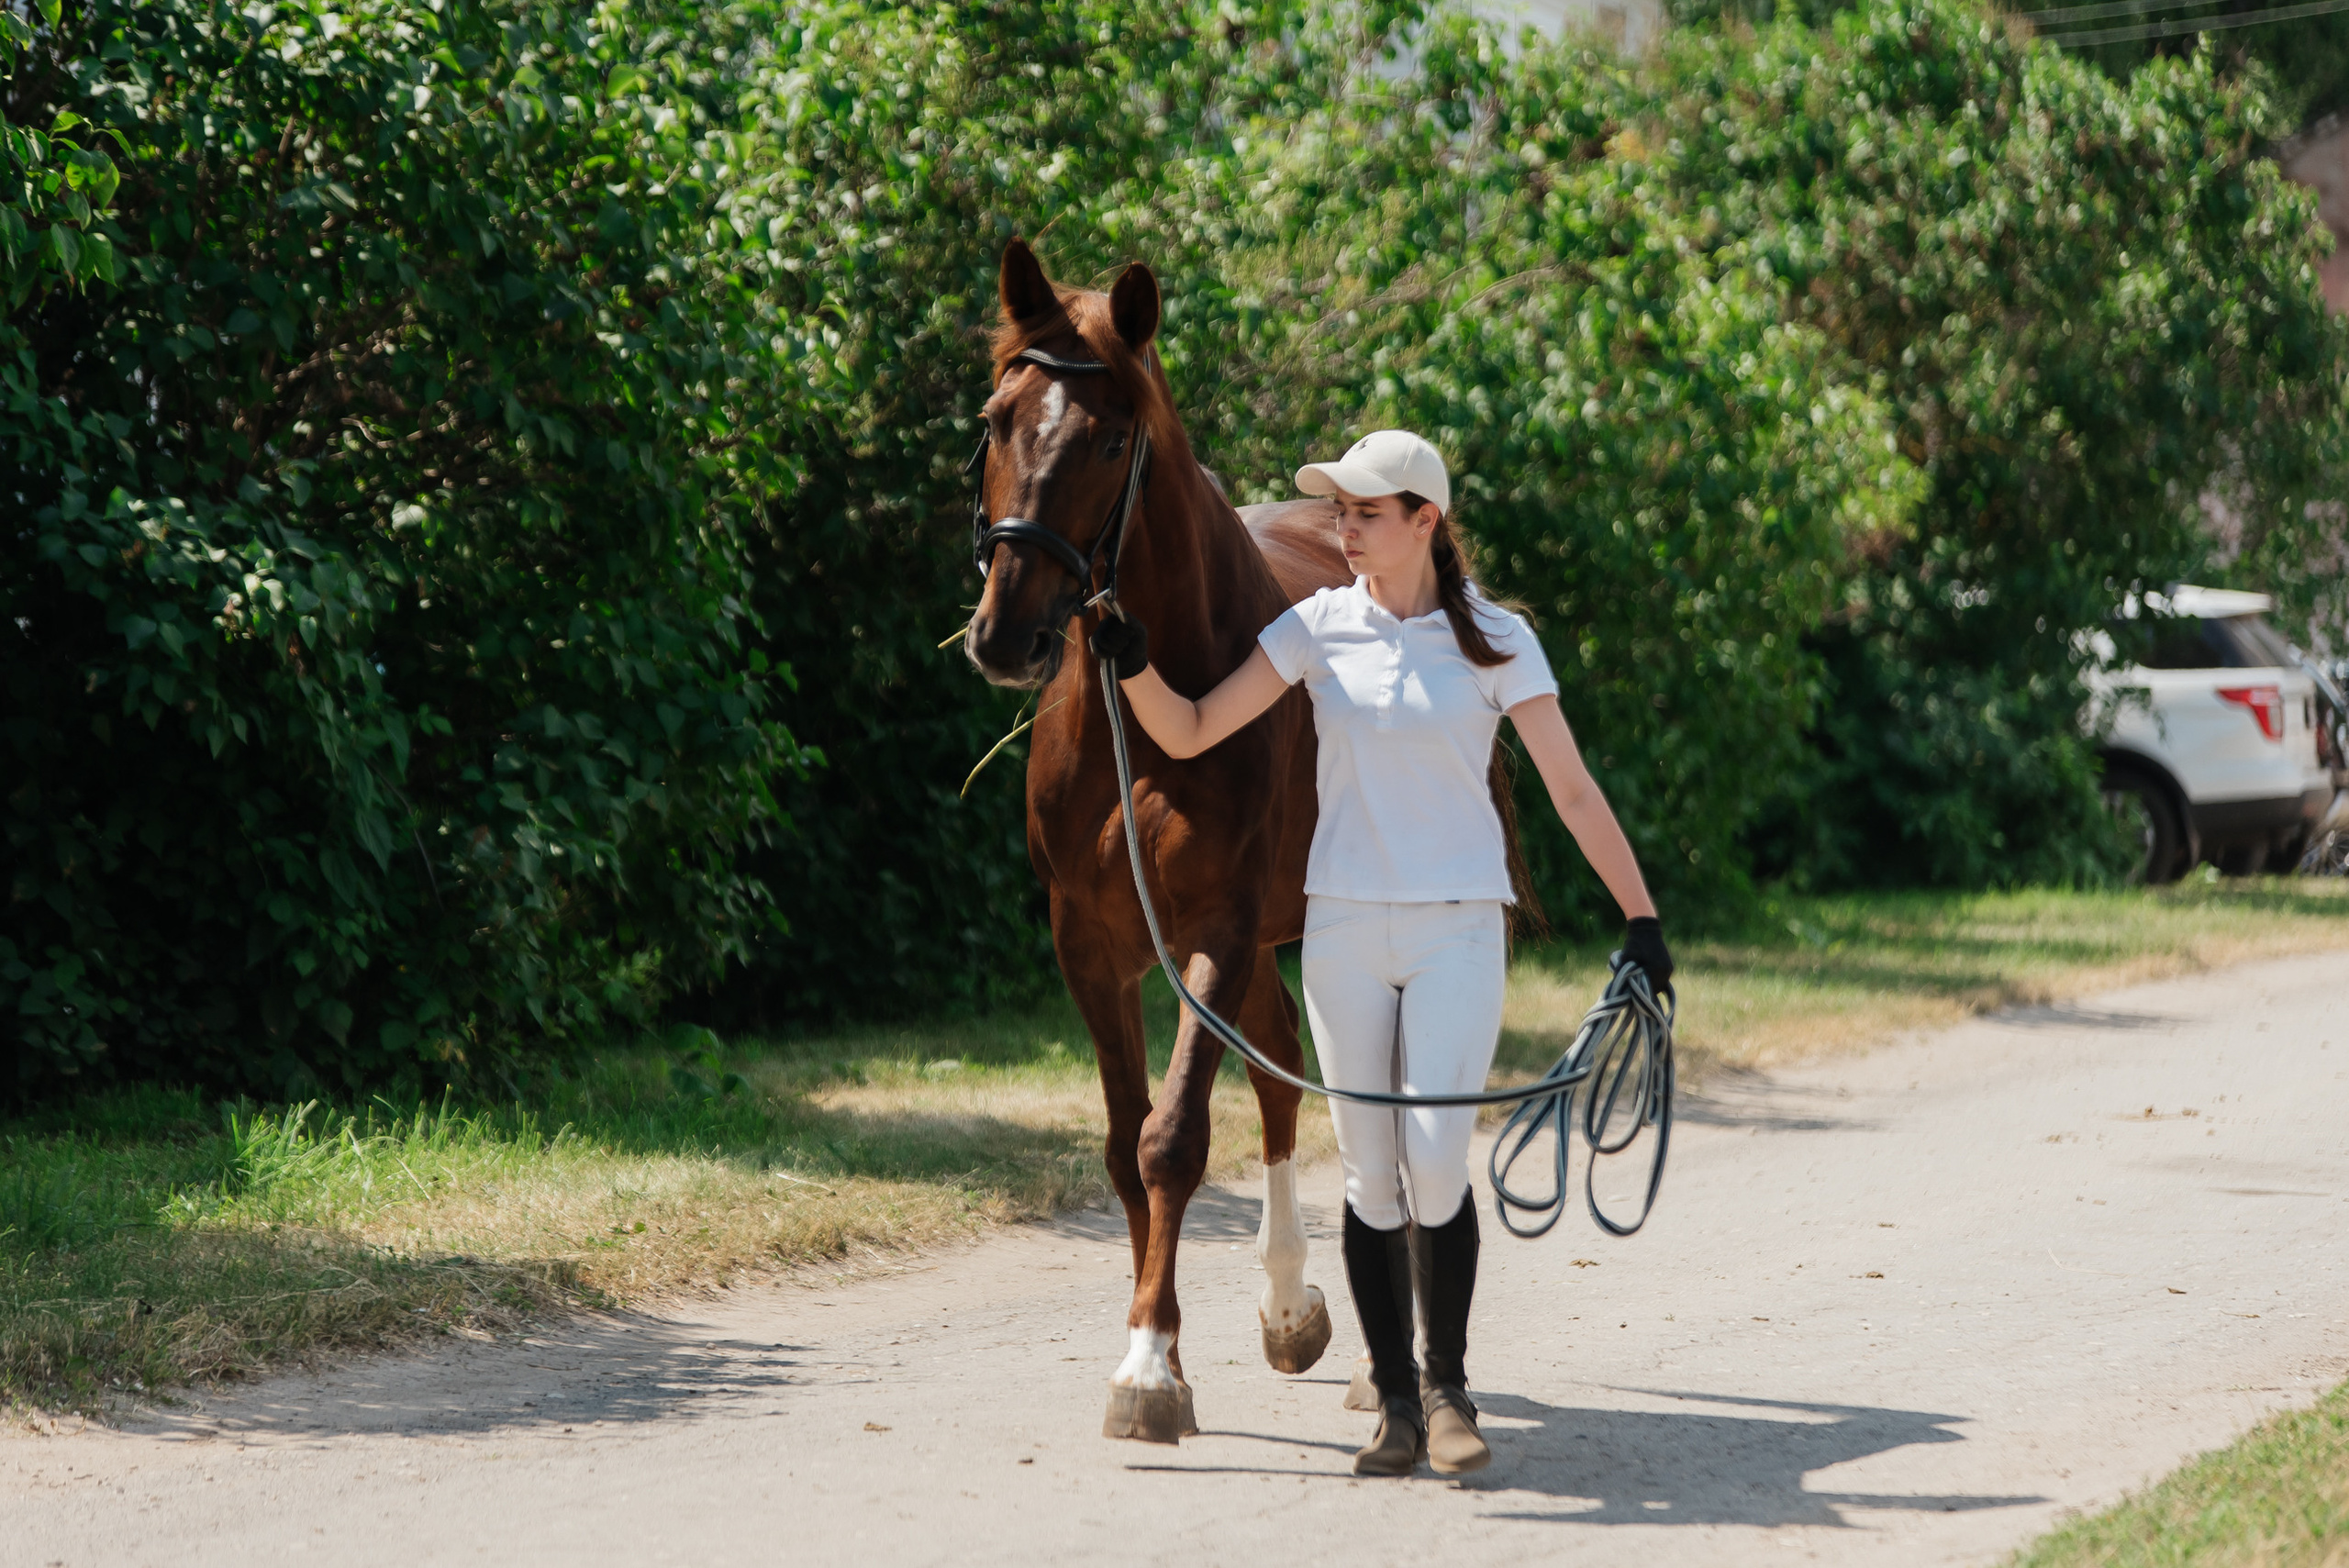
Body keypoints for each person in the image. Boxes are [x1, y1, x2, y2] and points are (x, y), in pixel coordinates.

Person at [1088, 429, 1673, 1478]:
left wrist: (1641, 921)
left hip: (1455, 924)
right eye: (1339, 510)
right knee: (1368, 1171)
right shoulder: (1315, 626)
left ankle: (1449, 1386)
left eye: (1364, 511)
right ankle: (1396, 1404)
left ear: (1423, 522)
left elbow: (1573, 790)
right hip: (1345, 926)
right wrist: (1127, 660)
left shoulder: (1497, 639)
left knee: (1435, 1159)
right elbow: (1186, 728)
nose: (1341, 527)